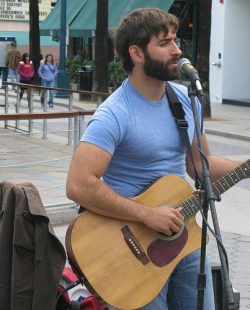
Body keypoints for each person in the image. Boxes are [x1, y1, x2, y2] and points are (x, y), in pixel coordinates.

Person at [66, 8, 249, 310]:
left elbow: (201, 167)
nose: (177, 50)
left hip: (184, 236)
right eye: (164, 43)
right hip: (130, 253)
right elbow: (78, 185)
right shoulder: (114, 114)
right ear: (136, 53)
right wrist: (148, 215)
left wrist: (247, 169)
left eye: (175, 40)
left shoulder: (185, 102)